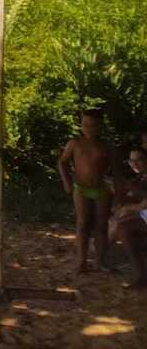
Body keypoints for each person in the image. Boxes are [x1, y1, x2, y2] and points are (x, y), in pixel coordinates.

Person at [58, 109, 116, 273]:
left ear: (101, 126)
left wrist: (118, 193)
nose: (89, 129)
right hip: (81, 189)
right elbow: (62, 162)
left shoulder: (108, 147)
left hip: (102, 190)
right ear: (81, 125)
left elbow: (117, 173)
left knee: (101, 226)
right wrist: (66, 182)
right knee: (82, 224)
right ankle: (81, 262)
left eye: (94, 126)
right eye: (86, 125)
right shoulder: (74, 143)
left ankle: (100, 261)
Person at [113, 148, 147, 288]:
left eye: (138, 159)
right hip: (144, 216)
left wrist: (127, 208)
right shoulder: (140, 177)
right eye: (131, 160)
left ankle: (142, 276)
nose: (134, 163)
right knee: (120, 223)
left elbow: (144, 204)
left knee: (123, 227)